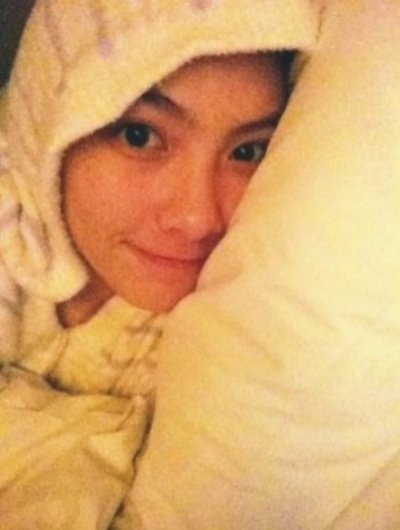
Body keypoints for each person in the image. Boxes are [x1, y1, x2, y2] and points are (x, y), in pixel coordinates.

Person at [0, 0, 293, 527]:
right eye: (140, 135)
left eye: (248, 152)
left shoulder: (232, 335)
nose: (197, 218)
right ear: (49, 129)